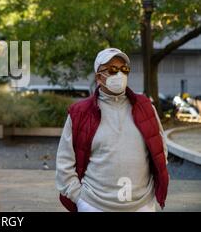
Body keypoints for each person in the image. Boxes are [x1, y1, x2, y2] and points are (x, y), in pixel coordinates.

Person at [56, 48, 169, 212]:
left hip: (142, 205)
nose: (120, 75)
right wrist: (79, 198)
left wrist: (152, 193)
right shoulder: (80, 113)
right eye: (113, 70)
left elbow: (160, 149)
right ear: (98, 77)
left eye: (124, 70)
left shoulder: (145, 107)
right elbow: (64, 162)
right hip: (94, 205)